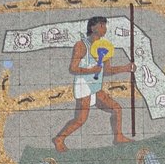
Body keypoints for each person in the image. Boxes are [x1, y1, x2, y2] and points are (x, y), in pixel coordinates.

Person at [52, 15, 134, 150]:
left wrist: (125, 68)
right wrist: (91, 70)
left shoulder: (104, 46)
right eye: (101, 25)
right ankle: (59, 139)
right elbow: (73, 68)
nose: (104, 28)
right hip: (83, 85)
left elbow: (107, 71)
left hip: (95, 86)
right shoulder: (81, 45)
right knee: (80, 119)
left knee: (116, 109)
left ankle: (118, 137)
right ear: (92, 27)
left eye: (105, 25)